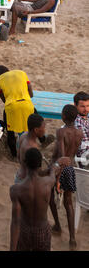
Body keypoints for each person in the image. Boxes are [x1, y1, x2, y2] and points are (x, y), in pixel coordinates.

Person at [10, 148, 66, 251]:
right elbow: (53, 174)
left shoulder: (16, 190)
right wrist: (56, 166)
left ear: (25, 163)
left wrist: (12, 249)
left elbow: (15, 221)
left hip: (25, 231)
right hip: (43, 230)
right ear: (40, 164)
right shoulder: (48, 183)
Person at [49, 105, 83, 250]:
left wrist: (57, 177)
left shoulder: (61, 131)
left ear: (63, 116)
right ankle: (72, 239)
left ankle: (57, 225)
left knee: (51, 197)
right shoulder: (79, 133)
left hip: (60, 168)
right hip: (70, 167)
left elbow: (62, 156)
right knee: (68, 203)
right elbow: (71, 154)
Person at [0, 65, 35, 157]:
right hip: (27, 104)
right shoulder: (22, 73)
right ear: (8, 70)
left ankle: (13, 154)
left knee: (10, 132)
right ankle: (43, 138)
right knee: (34, 119)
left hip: (11, 106)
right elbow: (30, 92)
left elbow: (4, 100)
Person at [15, 114, 54, 183]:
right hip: (27, 182)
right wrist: (53, 169)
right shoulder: (33, 148)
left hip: (19, 176)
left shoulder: (23, 136)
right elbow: (38, 173)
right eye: (43, 128)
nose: (45, 131)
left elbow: (18, 157)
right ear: (36, 130)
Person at [74, 92, 89, 159]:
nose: (86, 109)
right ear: (75, 105)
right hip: (85, 157)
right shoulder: (78, 123)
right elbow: (84, 148)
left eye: (88, 106)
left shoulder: (86, 117)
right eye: (82, 106)